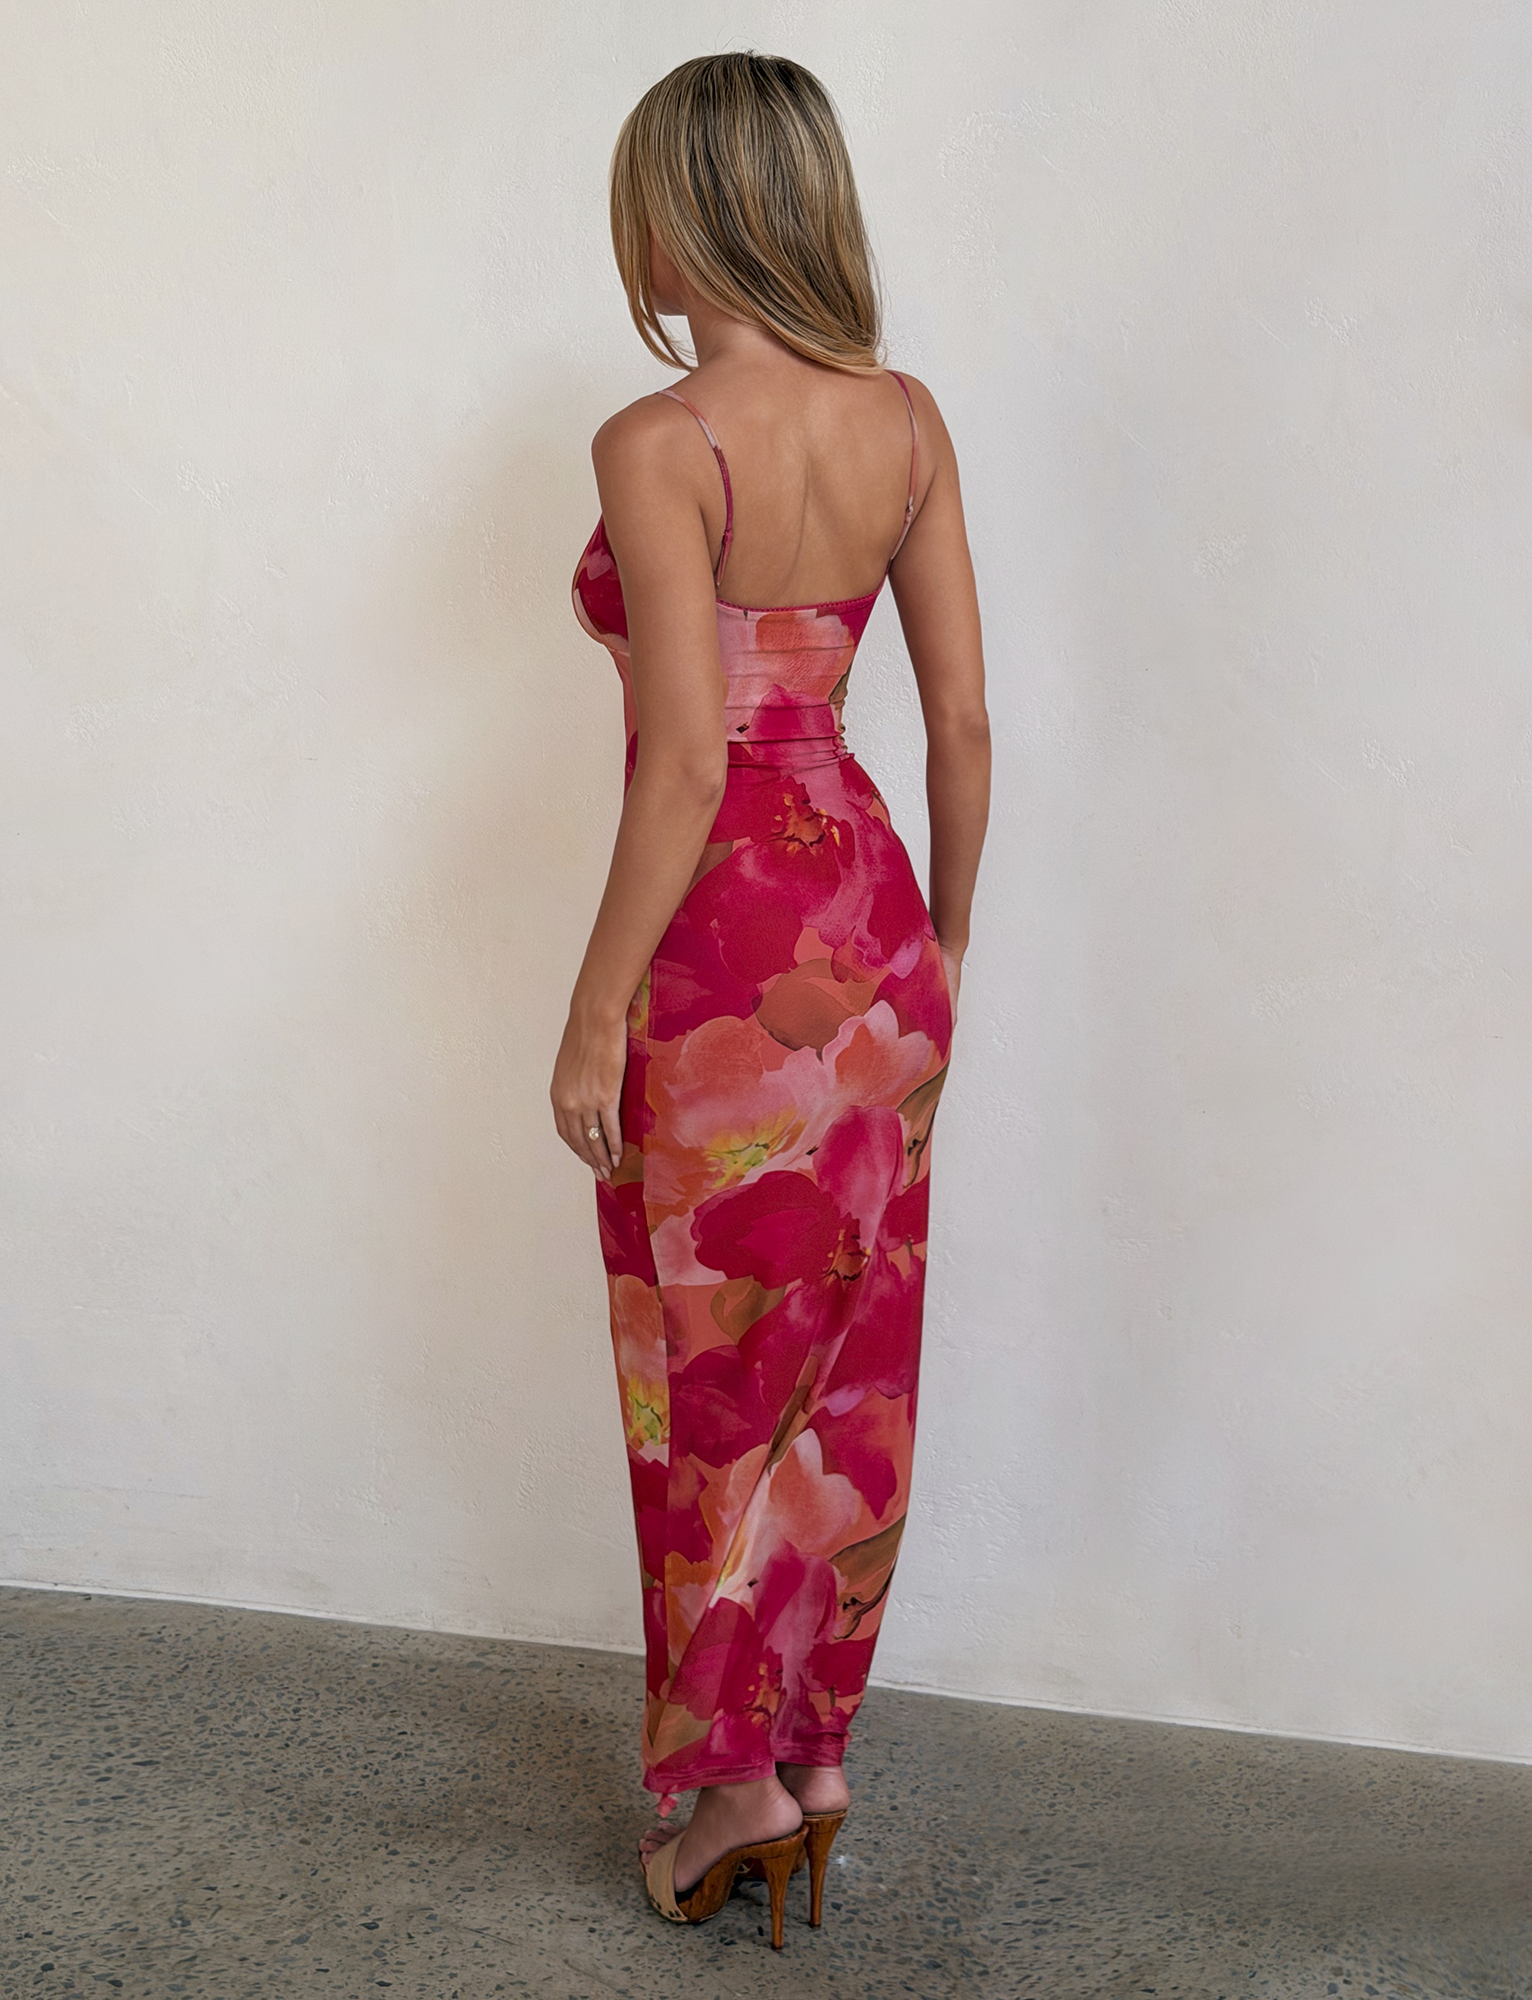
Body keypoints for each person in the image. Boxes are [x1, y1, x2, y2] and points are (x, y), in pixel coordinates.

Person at [551, 51, 990, 1948]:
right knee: (845, 1363)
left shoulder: (661, 443)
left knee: (709, 1372)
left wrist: (588, 1018)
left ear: (679, 210)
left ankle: (725, 1784)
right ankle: (813, 1755)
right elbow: (963, 719)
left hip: (731, 947)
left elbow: (677, 766)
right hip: (875, 932)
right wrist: (948, 946)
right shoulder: (905, 420)